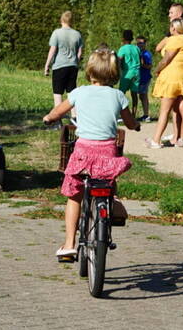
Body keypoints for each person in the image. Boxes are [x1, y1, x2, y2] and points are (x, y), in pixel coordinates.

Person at [42, 49, 141, 259]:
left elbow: (59, 111)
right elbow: (130, 122)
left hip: (83, 152)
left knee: (75, 195)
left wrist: (49, 118)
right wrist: (135, 125)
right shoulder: (119, 96)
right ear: (114, 73)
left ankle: (69, 243)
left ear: (90, 71)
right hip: (107, 152)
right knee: (107, 183)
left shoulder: (79, 92)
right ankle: (111, 204)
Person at [147, 18, 183, 148]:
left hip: (172, 77)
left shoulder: (175, 40)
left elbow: (166, 59)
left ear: (173, 28)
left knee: (164, 110)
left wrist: (157, 70)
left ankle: (156, 140)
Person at [43, 11, 83, 117]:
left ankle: (57, 118)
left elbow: (52, 50)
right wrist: (76, 61)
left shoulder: (57, 33)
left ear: (61, 20)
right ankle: (74, 119)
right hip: (73, 66)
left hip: (59, 66)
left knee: (58, 94)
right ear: (72, 21)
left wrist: (47, 65)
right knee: (71, 93)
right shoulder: (77, 34)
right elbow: (80, 52)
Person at [116, 29, 141, 112]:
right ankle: (134, 114)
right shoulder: (136, 48)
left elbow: (119, 61)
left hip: (127, 73)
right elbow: (141, 61)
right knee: (134, 94)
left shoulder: (122, 49)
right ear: (132, 38)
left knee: (121, 93)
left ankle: (121, 113)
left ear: (123, 38)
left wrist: (118, 72)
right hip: (137, 72)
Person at [135, 36, 152, 121]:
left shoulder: (146, 54)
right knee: (140, 96)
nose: (140, 45)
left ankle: (146, 115)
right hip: (138, 78)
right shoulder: (136, 53)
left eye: (141, 43)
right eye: (138, 43)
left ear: (145, 44)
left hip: (145, 78)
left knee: (143, 96)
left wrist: (142, 64)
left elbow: (149, 66)